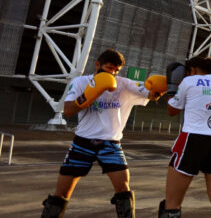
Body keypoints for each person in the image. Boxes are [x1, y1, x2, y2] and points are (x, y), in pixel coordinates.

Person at [41, 49, 166, 218]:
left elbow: (151, 94)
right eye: (109, 68)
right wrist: (89, 95)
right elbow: (68, 111)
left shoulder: (124, 84)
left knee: (124, 191)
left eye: (116, 70)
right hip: (82, 143)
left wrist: (160, 89)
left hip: (111, 143)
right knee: (61, 194)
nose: (113, 72)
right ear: (98, 64)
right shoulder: (80, 82)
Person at [158, 57, 211, 218]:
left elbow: (173, 110)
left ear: (192, 69)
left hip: (192, 140)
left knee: (172, 204)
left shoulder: (190, 81)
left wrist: (172, 88)